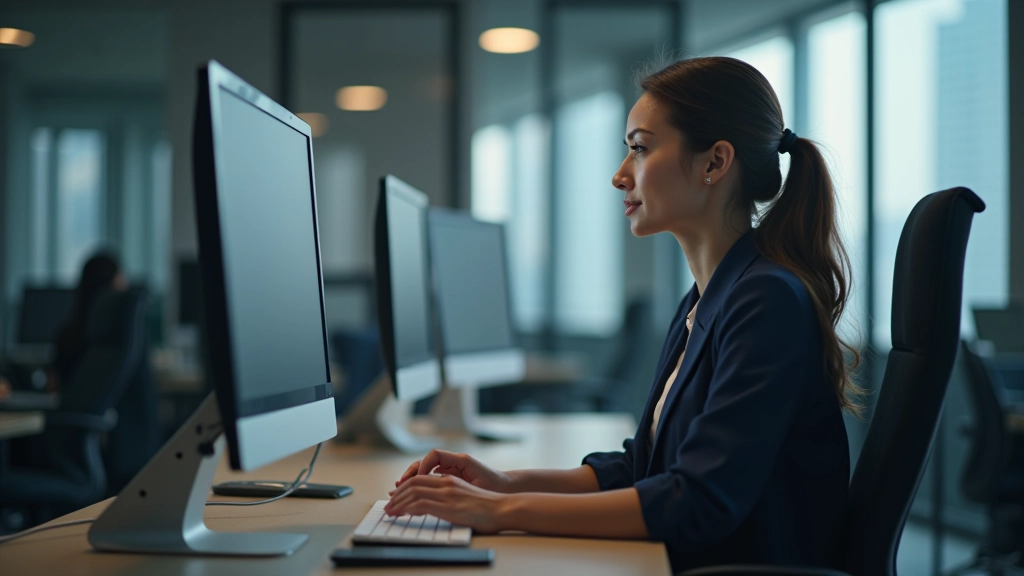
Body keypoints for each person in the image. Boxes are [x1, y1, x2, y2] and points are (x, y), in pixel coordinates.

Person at [386, 56, 862, 572]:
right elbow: (645, 466)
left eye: (639, 148)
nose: (619, 176)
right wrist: (506, 483)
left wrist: (502, 511)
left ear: (714, 163)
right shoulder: (708, 297)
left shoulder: (765, 301)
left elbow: (697, 501)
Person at [50, 252, 127, 391]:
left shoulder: (67, 334)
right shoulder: (119, 336)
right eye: (120, 277)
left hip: (69, 410)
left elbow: (53, 387)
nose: (125, 284)